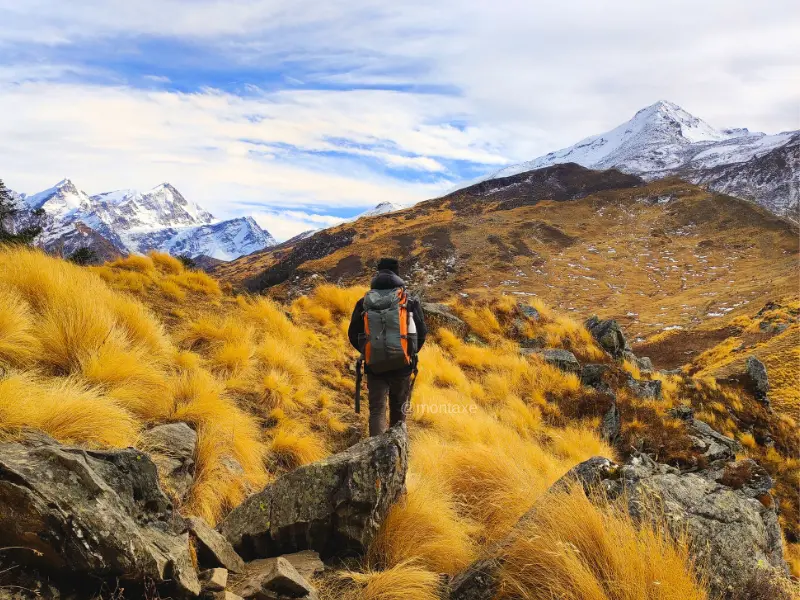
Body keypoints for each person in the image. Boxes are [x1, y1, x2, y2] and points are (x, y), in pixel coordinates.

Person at [348, 258, 427, 436]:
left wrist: (369, 351)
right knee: (399, 410)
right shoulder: (408, 301)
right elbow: (421, 332)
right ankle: (397, 454)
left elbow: (353, 334)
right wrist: (408, 352)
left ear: (378, 273)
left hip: (374, 366)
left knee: (377, 411)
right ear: (397, 273)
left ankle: (375, 453)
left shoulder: (364, 302)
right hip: (402, 366)